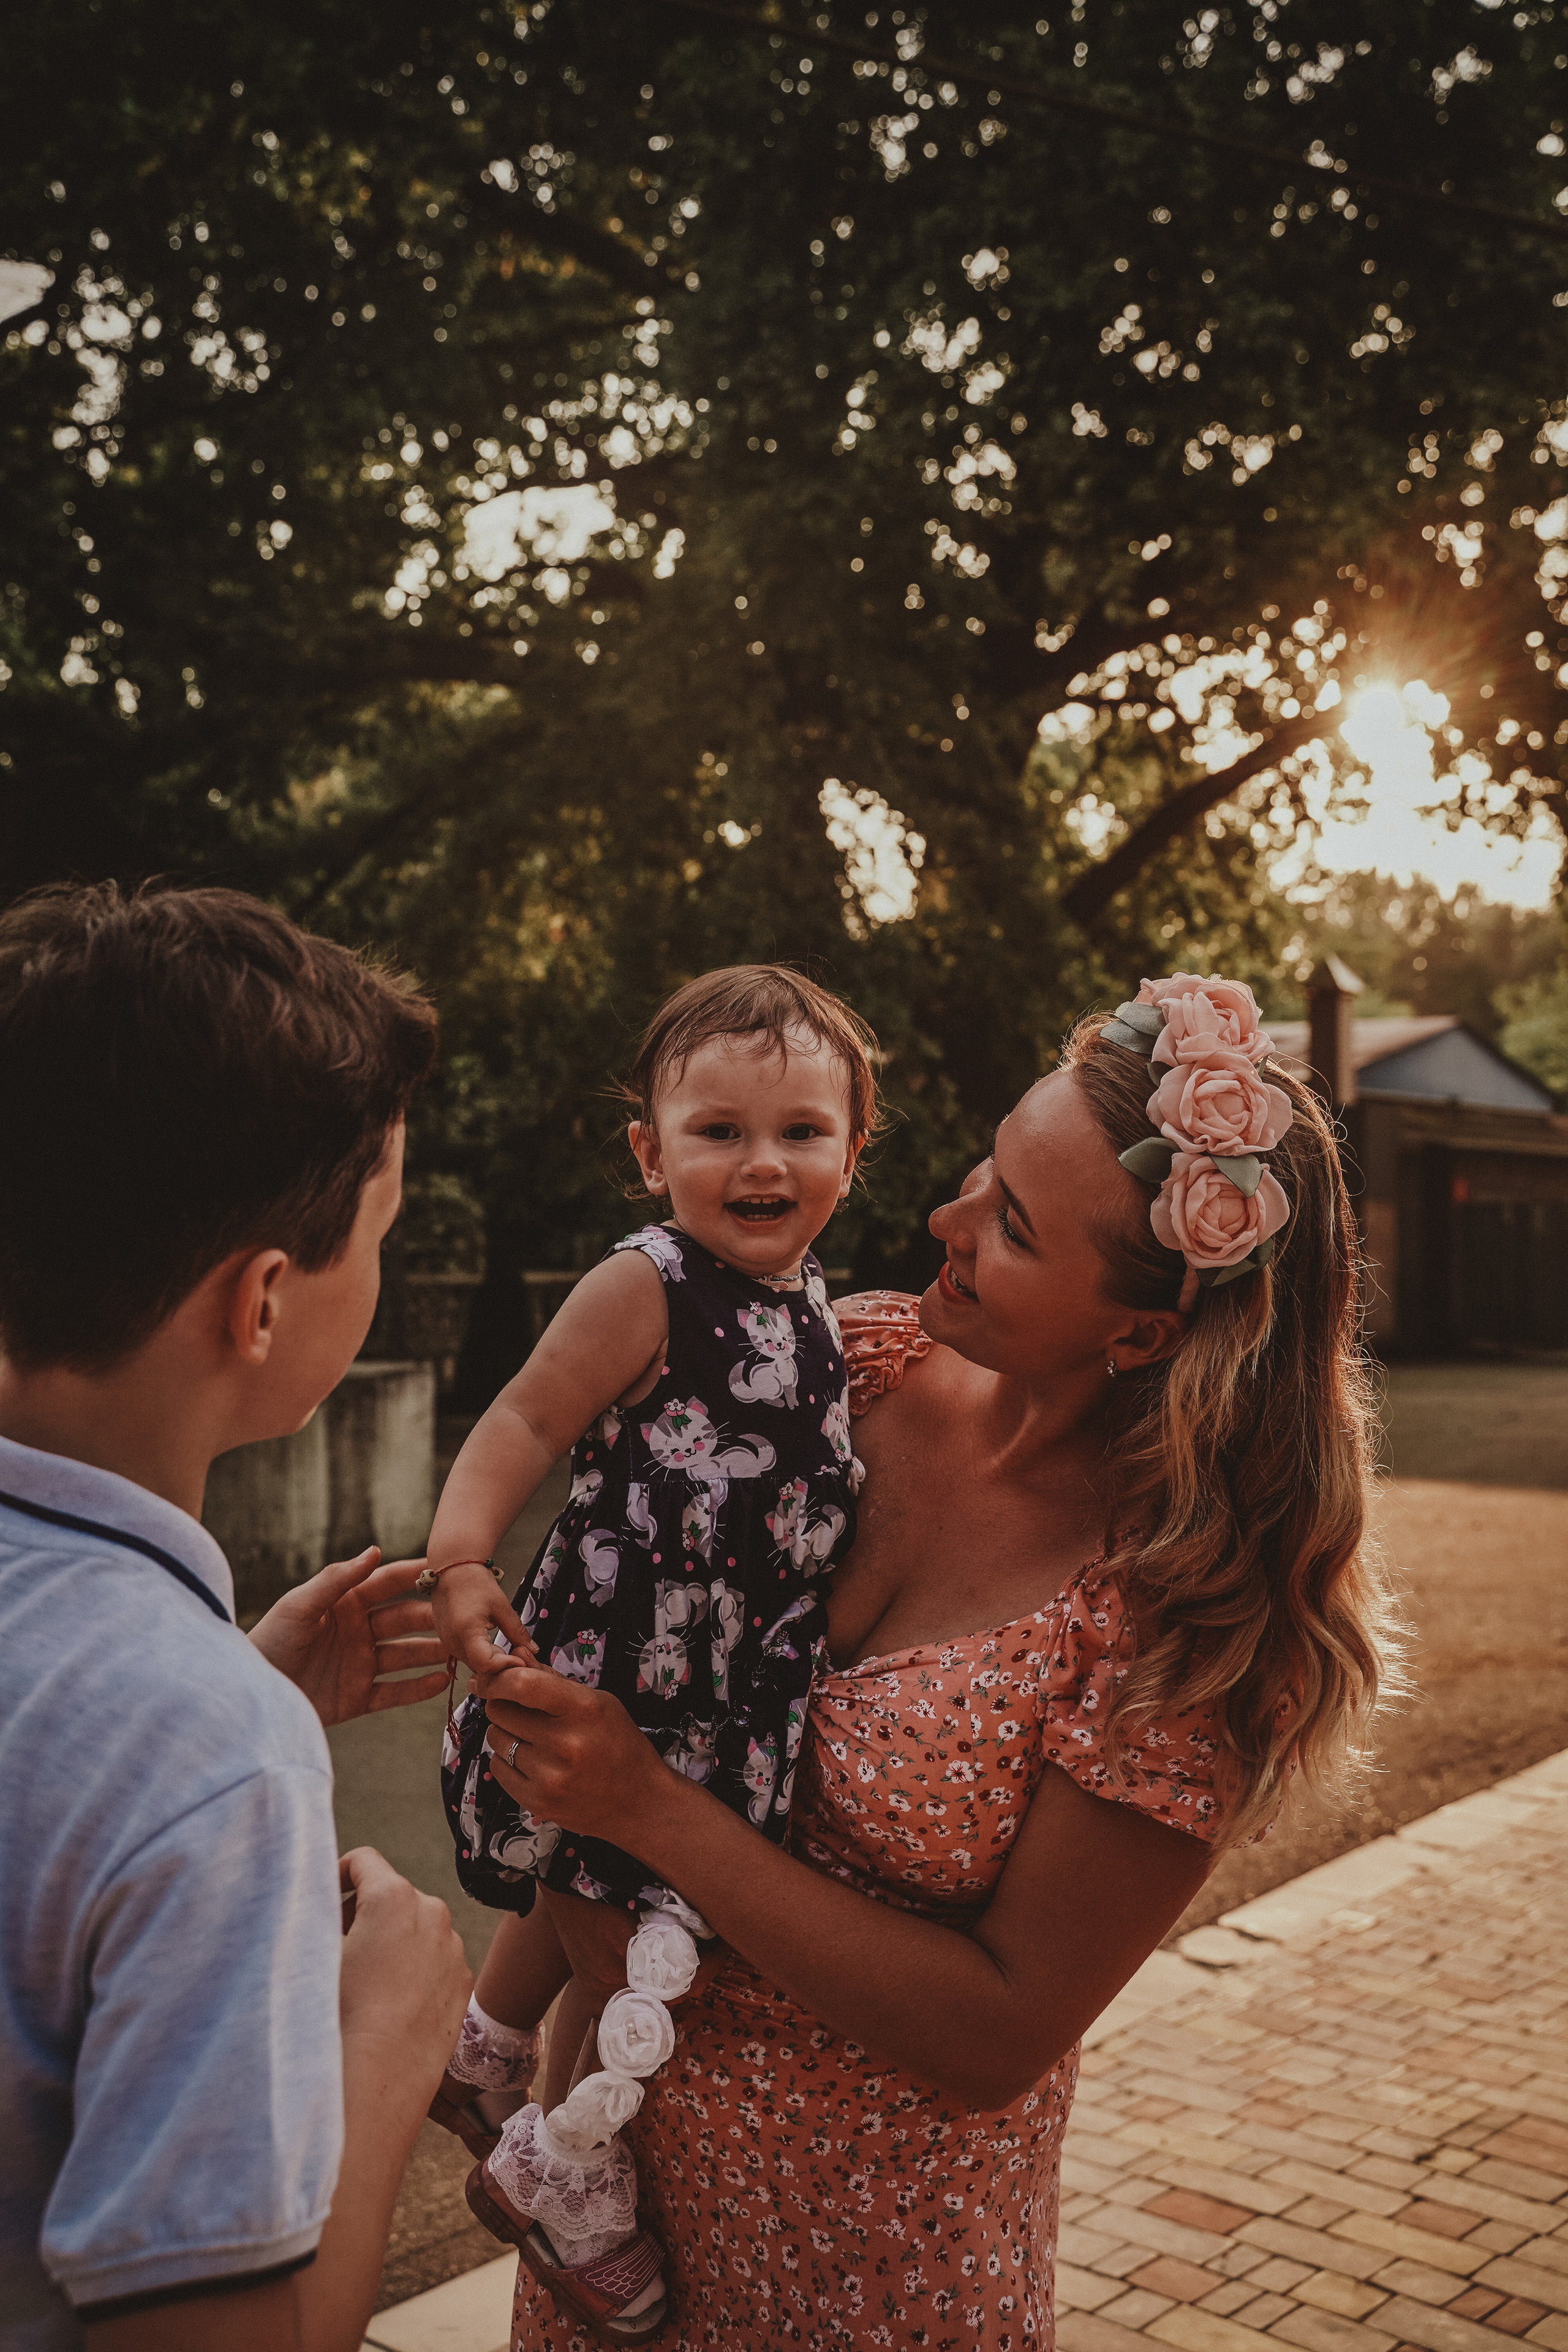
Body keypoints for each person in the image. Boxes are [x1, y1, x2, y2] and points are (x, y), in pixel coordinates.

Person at [474, 973, 1399, 2352]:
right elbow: (628, 1555)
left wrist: (644, 1808)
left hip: (870, 2266)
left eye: (1011, 1228)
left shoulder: (1188, 1626)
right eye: (983, 1171)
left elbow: (996, 2033)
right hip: (608, 2217)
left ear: (1139, 1332)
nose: (941, 1223)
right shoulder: (850, 1362)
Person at [0, 883, 472, 2352]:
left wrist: (211, 1693)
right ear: (261, 1302)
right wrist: (386, 2043)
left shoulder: (180, 1713)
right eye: (377, 1235)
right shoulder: (213, 1747)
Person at [424, 968, 877, 2341]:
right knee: (624, 1932)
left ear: (854, 1151)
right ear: (650, 1152)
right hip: (621, 1666)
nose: (761, 1160)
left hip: (729, 1689)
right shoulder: (648, 1285)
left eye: (801, 1129)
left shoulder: (815, 1311)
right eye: (718, 1129)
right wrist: (459, 1562)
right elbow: (519, 1419)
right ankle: (575, 2163)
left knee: (600, 1895)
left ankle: (492, 2064)